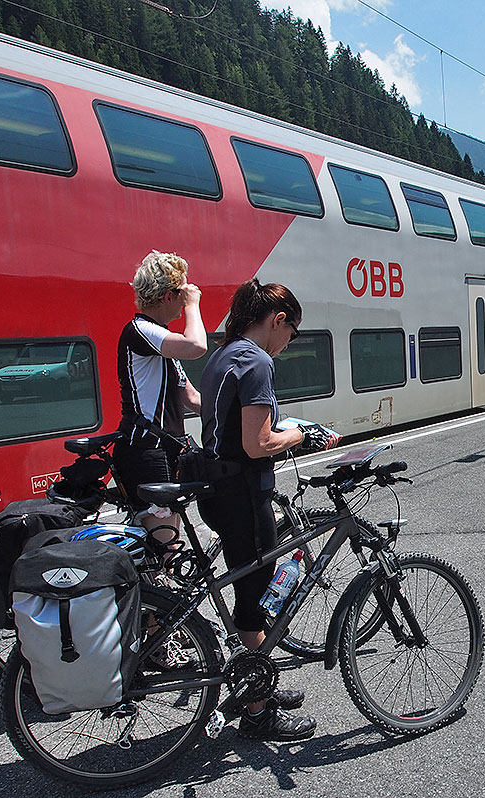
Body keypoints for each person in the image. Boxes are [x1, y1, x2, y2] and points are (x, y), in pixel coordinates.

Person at [198, 279, 338, 741]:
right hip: (243, 493)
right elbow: (258, 443)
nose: (288, 343)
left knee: (247, 590)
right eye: (292, 333)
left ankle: (256, 685)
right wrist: (301, 435)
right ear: (278, 321)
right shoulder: (257, 360)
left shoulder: (224, 352)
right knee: (255, 603)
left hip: (218, 490)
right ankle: (258, 714)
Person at [114, 250, 206, 545]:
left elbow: (191, 397)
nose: (184, 302)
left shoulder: (161, 343)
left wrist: (241, 415)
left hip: (165, 451)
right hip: (146, 450)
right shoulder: (141, 331)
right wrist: (194, 305)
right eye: (182, 294)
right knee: (165, 547)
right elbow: (195, 345)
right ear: (169, 296)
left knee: (168, 543)